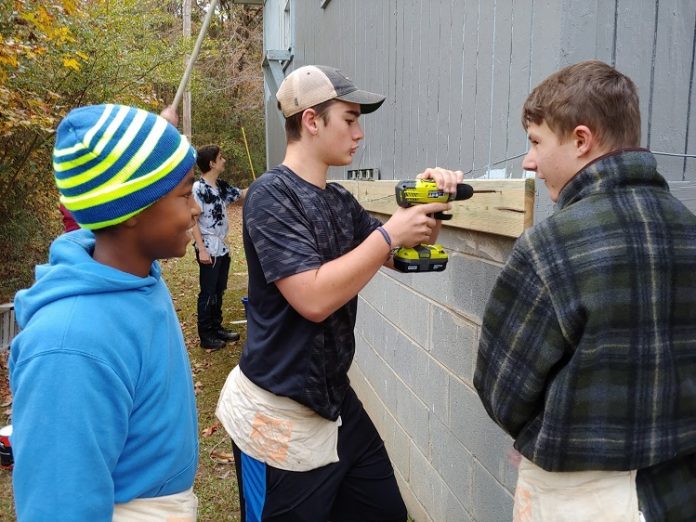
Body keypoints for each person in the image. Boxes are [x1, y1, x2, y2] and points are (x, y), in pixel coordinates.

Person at [215, 64, 462, 521]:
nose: (359, 133)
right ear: (311, 121)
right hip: (278, 415)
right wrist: (389, 234)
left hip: (333, 400)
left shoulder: (339, 200)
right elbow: (313, 299)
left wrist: (428, 203)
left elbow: (398, 250)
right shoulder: (272, 196)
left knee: (385, 511)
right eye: (349, 119)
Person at [474, 60, 696, 521]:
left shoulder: (551, 248)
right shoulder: (689, 231)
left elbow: (502, 391)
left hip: (576, 496)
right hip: (678, 488)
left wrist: (551, 432)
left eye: (536, 142)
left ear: (580, 140)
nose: (528, 161)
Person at [10, 103, 201, 520]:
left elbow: (133, 187)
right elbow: (57, 507)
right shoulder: (70, 346)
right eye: (186, 194)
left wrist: (157, 140)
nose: (197, 209)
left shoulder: (134, 273)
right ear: (131, 211)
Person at [191, 144, 246, 350]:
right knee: (208, 291)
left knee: (219, 290)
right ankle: (206, 334)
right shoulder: (199, 189)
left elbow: (241, 194)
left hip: (222, 247)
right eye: (220, 157)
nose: (224, 160)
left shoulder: (220, 187)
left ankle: (216, 327)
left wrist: (263, 183)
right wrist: (202, 250)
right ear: (212, 163)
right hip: (208, 246)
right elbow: (192, 220)